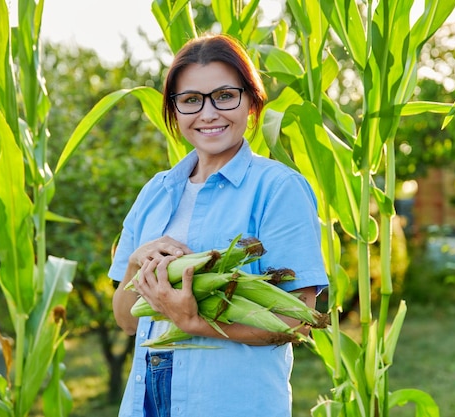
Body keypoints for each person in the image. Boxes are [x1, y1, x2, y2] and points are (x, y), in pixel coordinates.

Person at [109, 33, 328, 417]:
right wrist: (133, 265)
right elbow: (127, 322)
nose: (208, 114)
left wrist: (194, 322)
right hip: (147, 396)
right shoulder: (155, 192)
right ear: (174, 110)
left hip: (229, 400)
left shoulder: (278, 189)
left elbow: (296, 322)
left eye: (225, 96)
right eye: (191, 100)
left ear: (251, 101)